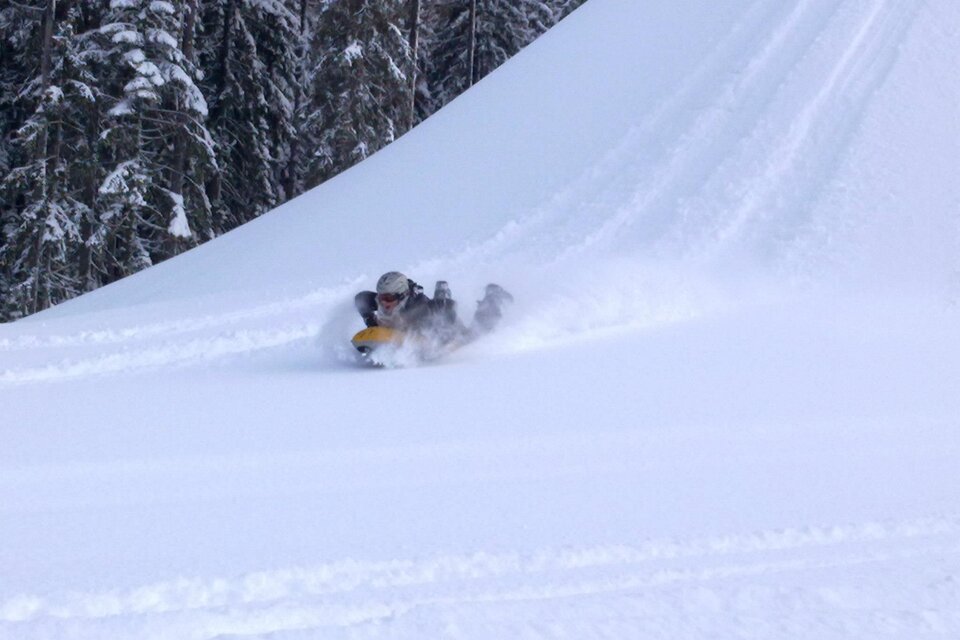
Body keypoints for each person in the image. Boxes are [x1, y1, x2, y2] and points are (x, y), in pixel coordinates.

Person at [355, 272, 511, 338]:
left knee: (476, 335)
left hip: (447, 327)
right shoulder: (380, 302)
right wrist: (370, 321)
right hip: (430, 318)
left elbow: (442, 324)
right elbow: (360, 299)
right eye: (381, 298)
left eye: (388, 298)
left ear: (402, 295)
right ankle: (441, 292)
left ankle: (493, 297)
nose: (383, 303)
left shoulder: (419, 307)